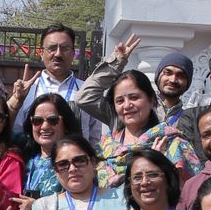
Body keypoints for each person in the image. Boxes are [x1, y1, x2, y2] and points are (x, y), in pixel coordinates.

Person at [91, 69, 200, 187]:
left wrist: (158, 165)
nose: (127, 105)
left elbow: (190, 190)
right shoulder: (104, 147)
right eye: (120, 101)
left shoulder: (172, 143)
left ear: (151, 100)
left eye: (134, 97)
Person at [74, 36, 202, 136]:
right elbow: (84, 98)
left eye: (180, 75)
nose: (173, 80)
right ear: (158, 75)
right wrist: (116, 64)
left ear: (188, 83)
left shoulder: (190, 120)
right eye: (167, 73)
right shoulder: (128, 111)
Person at [7, 23, 103, 143]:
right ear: (41, 53)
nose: (58, 54)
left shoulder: (86, 90)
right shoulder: (27, 91)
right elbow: (15, 132)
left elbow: (95, 138)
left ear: (73, 54)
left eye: (65, 48)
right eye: (52, 48)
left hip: (76, 155)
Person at [19, 93, 81, 197]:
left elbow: (83, 200)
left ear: (66, 124)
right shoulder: (24, 158)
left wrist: (37, 205)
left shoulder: (77, 163)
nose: (44, 126)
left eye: (53, 120)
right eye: (37, 120)